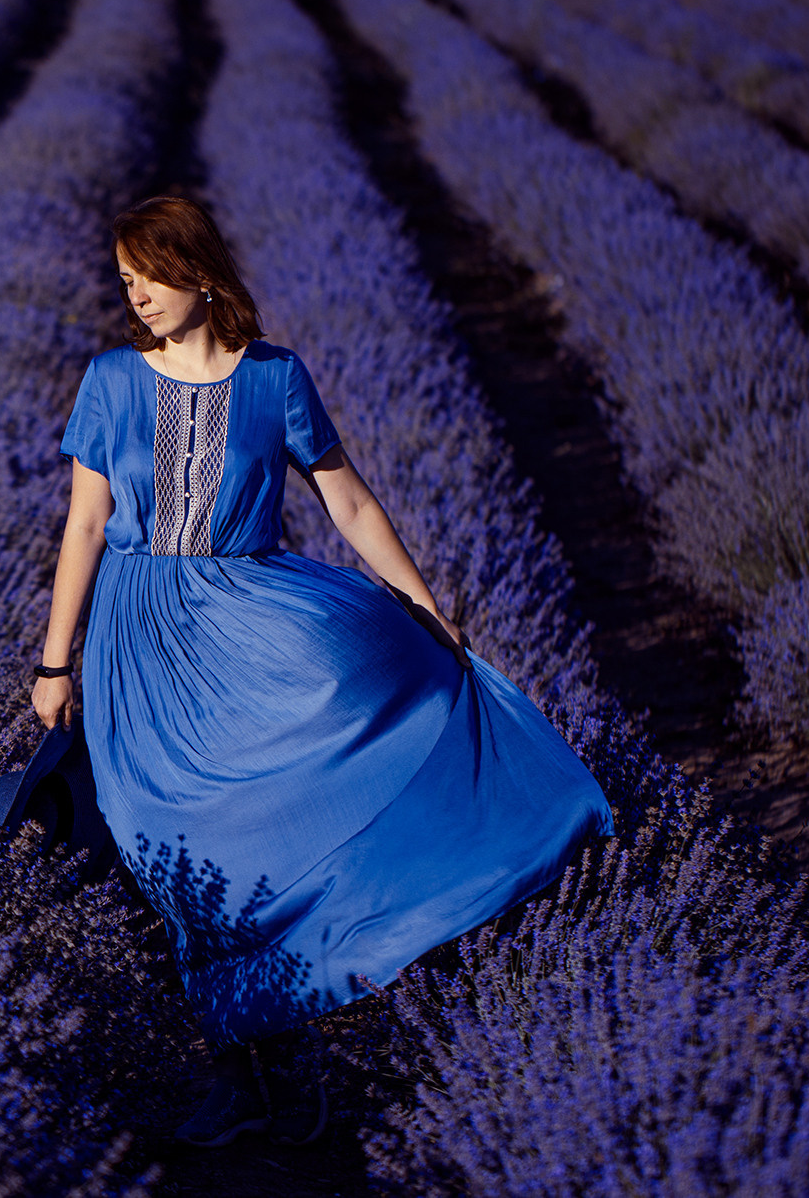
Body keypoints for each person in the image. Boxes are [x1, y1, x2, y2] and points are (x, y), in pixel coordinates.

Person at [31, 195, 613, 1148]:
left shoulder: (277, 379)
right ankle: (240, 1059)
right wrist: (56, 662)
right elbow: (85, 527)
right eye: (124, 275)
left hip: (252, 620)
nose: (133, 292)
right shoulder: (108, 382)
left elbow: (348, 504)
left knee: (286, 799)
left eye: (150, 272)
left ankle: (290, 1029)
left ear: (202, 275)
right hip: (139, 641)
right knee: (159, 839)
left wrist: (426, 610)